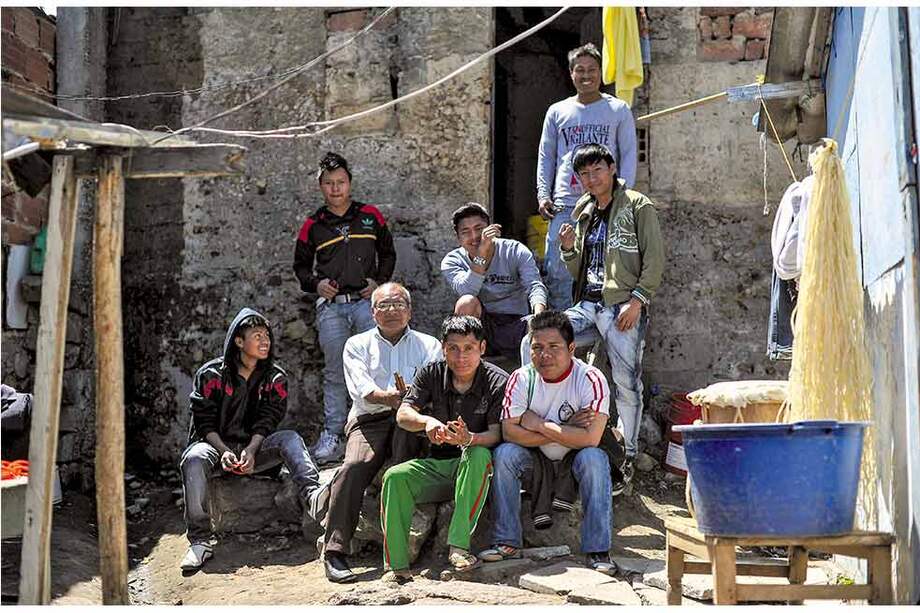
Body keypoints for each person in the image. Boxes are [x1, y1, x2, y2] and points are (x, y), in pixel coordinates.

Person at [547, 142, 663, 485]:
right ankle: (554, 427)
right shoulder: (584, 209)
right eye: (584, 173)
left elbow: (655, 258)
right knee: (540, 341)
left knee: (626, 381)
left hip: (622, 304)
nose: (591, 178)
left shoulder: (637, 205)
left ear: (612, 168)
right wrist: (568, 249)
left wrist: (637, 301)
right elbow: (578, 270)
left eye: (597, 169)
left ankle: (627, 452)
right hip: (587, 304)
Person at [179, 308, 328, 571]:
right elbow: (204, 422)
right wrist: (224, 451)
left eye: (267, 336)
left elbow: (268, 420)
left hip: (255, 449)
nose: (265, 341)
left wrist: (250, 450)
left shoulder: (275, 377)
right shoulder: (210, 375)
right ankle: (200, 541)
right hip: (215, 448)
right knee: (193, 458)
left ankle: (314, 499)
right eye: (257, 336)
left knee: (290, 439)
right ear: (239, 341)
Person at [322, 282, 442, 583]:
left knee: (401, 466)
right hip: (370, 419)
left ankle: (397, 550)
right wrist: (391, 397)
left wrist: (408, 402)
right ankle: (334, 552)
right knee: (353, 466)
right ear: (372, 312)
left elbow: (433, 388)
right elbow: (362, 391)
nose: (391, 310)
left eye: (398, 304)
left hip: (412, 417)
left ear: (409, 310)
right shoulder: (357, 344)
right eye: (384, 305)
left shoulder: (429, 345)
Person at [481, 310, 616, 573]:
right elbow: (510, 433)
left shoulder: (590, 379)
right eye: (537, 347)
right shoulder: (522, 378)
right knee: (505, 454)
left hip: (575, 459)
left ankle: (598, 550)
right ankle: (506, 542)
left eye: (554, 347)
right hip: (534, 459)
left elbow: (590, 438)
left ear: (571, 348)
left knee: (595, 459)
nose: (545, 355)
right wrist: (567, 429)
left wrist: (539, 424)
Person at [378, 316, 508, 582]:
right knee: (395, 477)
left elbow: (496, 434)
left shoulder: (497, 381)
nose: (461, 357)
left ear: (482, 348)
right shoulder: (431, 373)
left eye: (469, 348)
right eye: (453, 348)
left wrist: (469, 438)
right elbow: (403, 414)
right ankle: (396, 566)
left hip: (476, 470)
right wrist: (427, 422)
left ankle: (459, 548)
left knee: (478, 453)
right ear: (443, 348)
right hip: (438, 466)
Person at [294, 152, 397, 464]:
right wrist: (316, 285)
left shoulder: (370, 216)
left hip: (367, 305)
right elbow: (300, 267)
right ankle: (333, 436)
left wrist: (378, 282)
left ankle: (376, 434)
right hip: (332, 308)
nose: (335, 188)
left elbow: (388, 253)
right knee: (335, 371)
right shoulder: (313, 225)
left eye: (340, 182)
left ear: (349, 183)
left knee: (375, 366)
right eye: (329, 183)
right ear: (321, 186)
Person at [537, 42, 638, 310]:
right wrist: (543, 194)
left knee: (603, 272)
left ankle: (598, 331)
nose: (586, 75)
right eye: (579, 70)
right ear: (571, 73)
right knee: (559, 273)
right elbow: (546, 156)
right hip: (565, 204)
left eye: (592, 69)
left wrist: (621, 197)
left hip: (604, 204)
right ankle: (562, 328)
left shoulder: (618, 110)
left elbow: (628, 155)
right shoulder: (557, 111)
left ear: (601, 72)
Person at [441, 203, 547, 360]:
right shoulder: (452, 261)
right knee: (466, 302)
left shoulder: (515, 250)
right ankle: (467, 361)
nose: (474, 236)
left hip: (516, 322)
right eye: (466, 232)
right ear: (458, 238)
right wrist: (481, 253)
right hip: (482, 325)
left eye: (479, 229)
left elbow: (534, 286)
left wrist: (539, 317)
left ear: (490, 228)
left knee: (540, 324)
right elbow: (467, 291)